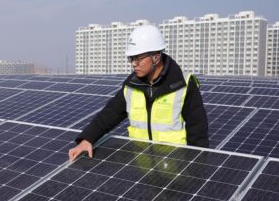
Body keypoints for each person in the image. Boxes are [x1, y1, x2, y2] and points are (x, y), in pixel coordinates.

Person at [68, 24, 209, 162]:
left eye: (138, 58)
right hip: (143, 170)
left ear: (156, 56)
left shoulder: (183, 85)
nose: (133, 64)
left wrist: (195, 172)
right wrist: (87, 139)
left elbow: (198, 134)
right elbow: (109, 114)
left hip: (176, 172)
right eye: (131, 58)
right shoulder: (132, 85)